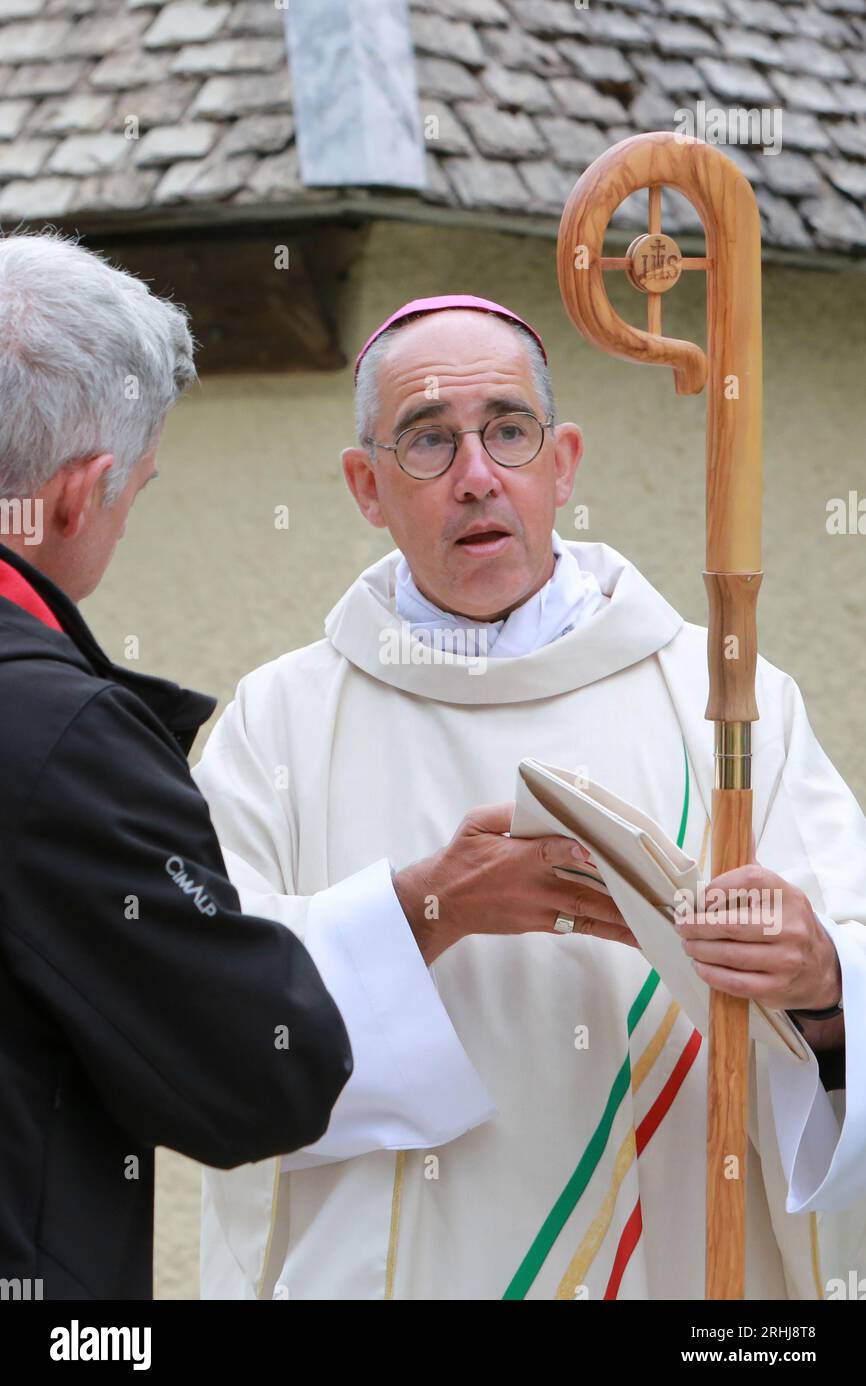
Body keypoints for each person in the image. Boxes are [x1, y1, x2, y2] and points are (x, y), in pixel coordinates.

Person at [195, 295, 866, 1301]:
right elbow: (196, 1008)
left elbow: (842, 959)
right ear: (363, 485)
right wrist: (423, 909)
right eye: (426, 440)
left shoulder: (725, 700)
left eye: (508, 430)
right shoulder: (279, 724)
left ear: (562, 463)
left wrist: (819, 983)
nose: (475, 476)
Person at [0, 231, 352, 1301]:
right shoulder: (57, 735)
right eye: (137, 494)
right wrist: (409, 916)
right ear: (80, 492)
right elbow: (258, 1077)